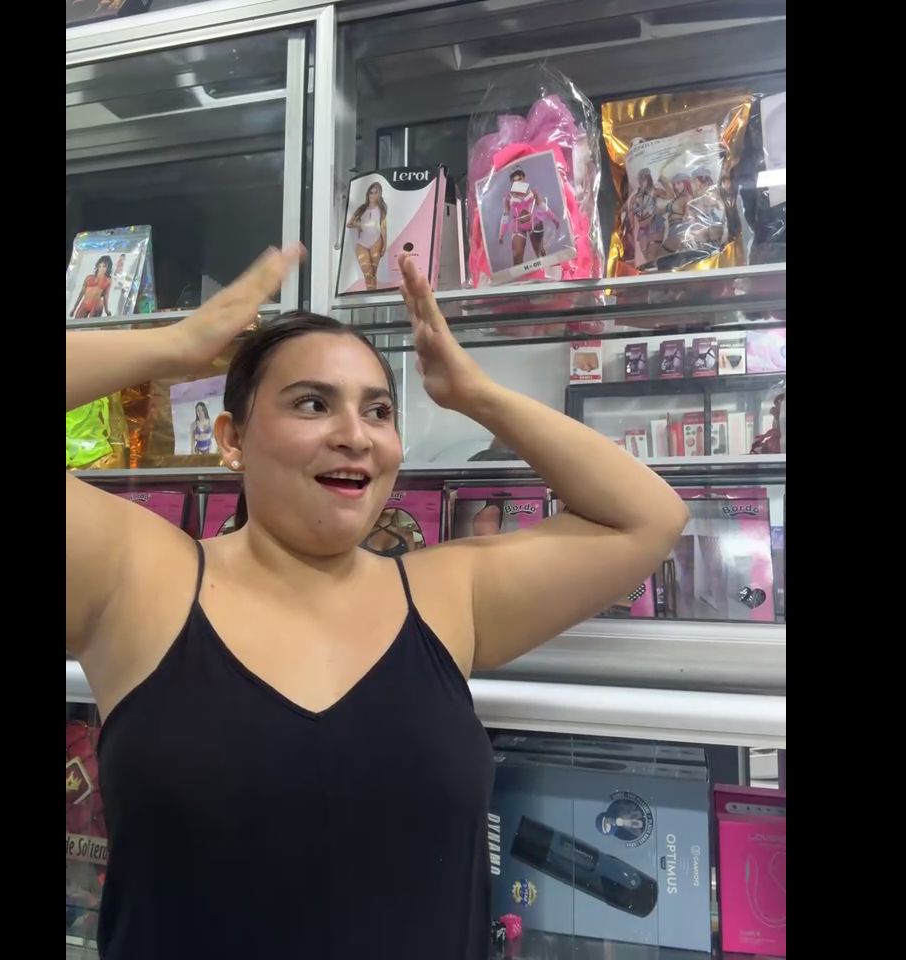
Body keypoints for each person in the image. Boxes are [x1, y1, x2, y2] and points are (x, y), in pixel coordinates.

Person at [65, 245, 688, 960]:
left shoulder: (445, 596)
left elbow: (648, 519)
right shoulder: (142, 580)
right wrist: (177, 345)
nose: (354, 436)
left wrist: (475, 393)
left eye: (379, 411)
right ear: (231, 439)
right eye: (312, 403)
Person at [498, 167, 559, 266]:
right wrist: (501, 234)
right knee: (517, 256)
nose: (517, 182)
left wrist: (554, 218)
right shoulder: (508, 197)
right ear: (511, 182)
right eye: (514, 180)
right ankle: (521, 275)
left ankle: (546, 270)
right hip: (518, 226)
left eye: (519, 179)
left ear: (524, 178)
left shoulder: (532, 192)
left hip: (533, 222)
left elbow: (543, 206)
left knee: (540, 252)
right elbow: (505, 215)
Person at [346, 181, 388, 290]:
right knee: (368, 274)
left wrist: (384, 245)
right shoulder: (362, 208)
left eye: (375, 192)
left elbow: (383, 227)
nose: (373, 195)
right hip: (362, 243)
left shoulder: (382, 208)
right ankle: (372, 294)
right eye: (371, 192)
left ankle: (372, 295)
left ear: (379, 194)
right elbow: (349, 224)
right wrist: (358, 225)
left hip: (376, 241)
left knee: (373, 273)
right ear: (368, 194)